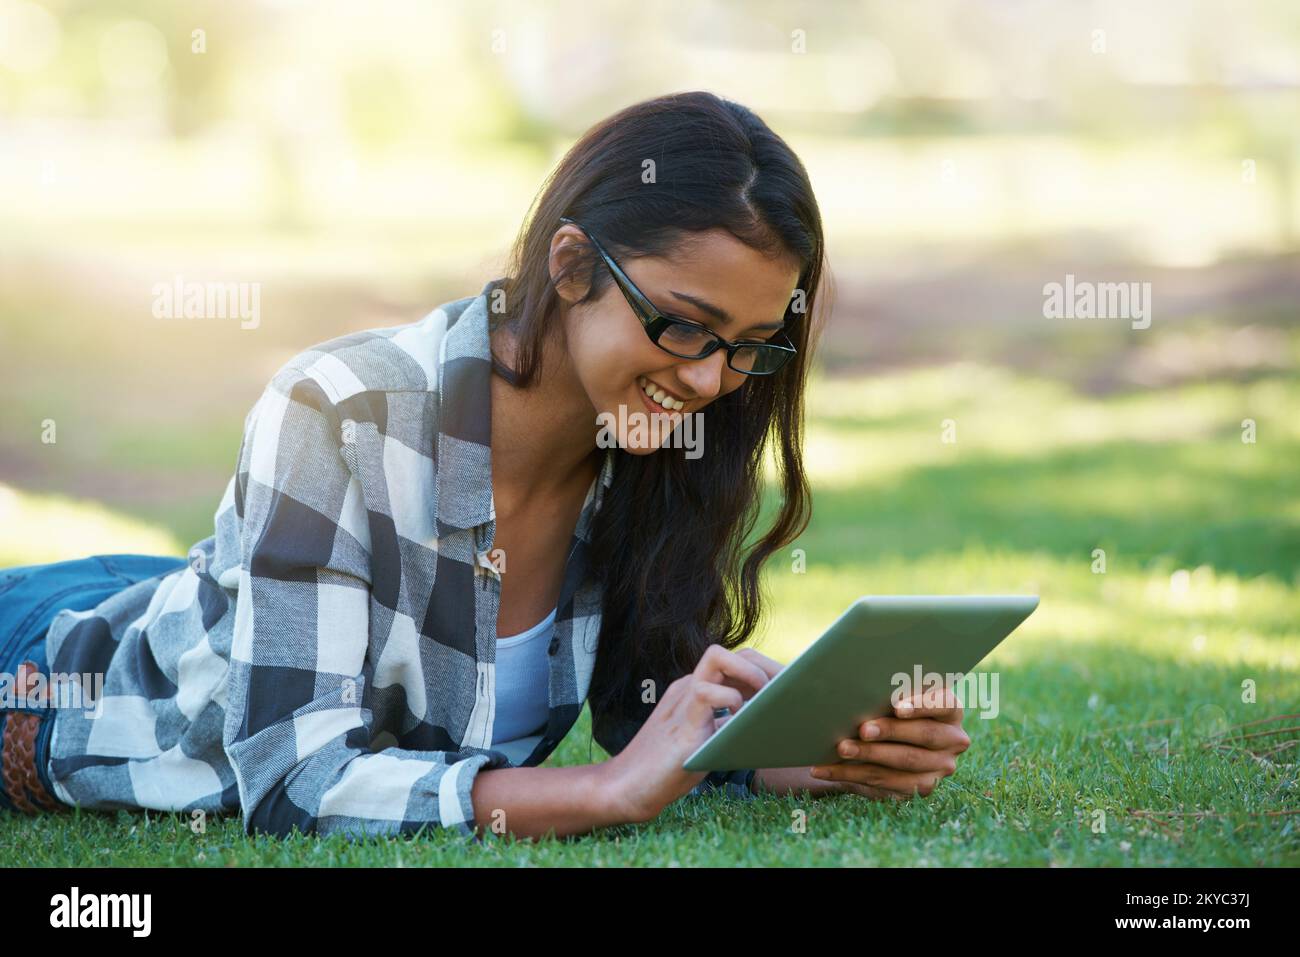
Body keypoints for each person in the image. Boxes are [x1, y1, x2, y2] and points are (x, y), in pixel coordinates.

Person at [0, 91, 970, 841]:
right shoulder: (339, 411)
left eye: (751, 346)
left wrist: (807, 752)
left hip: (197, 596)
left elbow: (645, 724)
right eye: (684, 324)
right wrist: (598, 795)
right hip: (51, 667)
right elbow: (294, 784)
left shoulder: (647, 440)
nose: (713, 378)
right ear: (571, 265)